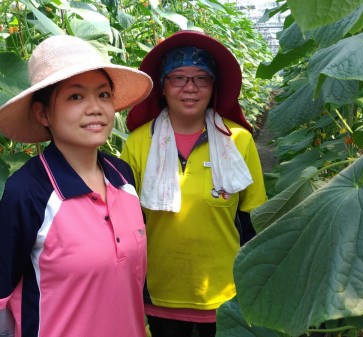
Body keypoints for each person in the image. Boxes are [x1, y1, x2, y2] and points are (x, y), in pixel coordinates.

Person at [0, 34, 153, 337]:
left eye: (103, 95)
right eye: (76, 97)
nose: (95, 108)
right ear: (43, 113)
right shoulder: (25, 194)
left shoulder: (123, 177)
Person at [120, 29, 267, 337]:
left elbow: (253, 222)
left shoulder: (238, 141)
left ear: (214, 87)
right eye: (178, 77)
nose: (190, 88)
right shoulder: (138, 143)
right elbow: (128, 225)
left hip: (225, 294)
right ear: (162, 86)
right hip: (159, 293)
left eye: (201, 78)